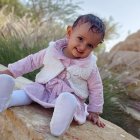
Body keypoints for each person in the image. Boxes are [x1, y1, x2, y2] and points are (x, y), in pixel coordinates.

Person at [0, 14, 105, 136]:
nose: (83, 47)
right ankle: (6, 98)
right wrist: (12, 71)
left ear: (95, 47)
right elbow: (32, 61)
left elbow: (96, 88)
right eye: (80, 38)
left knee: (71, 103)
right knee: (29, 92)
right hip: (45, 88)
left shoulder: (90, 66)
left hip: (70, 96)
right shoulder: (52, 51)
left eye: (90, 45)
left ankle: (59, 123)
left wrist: (94, 111)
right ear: (70, 32)